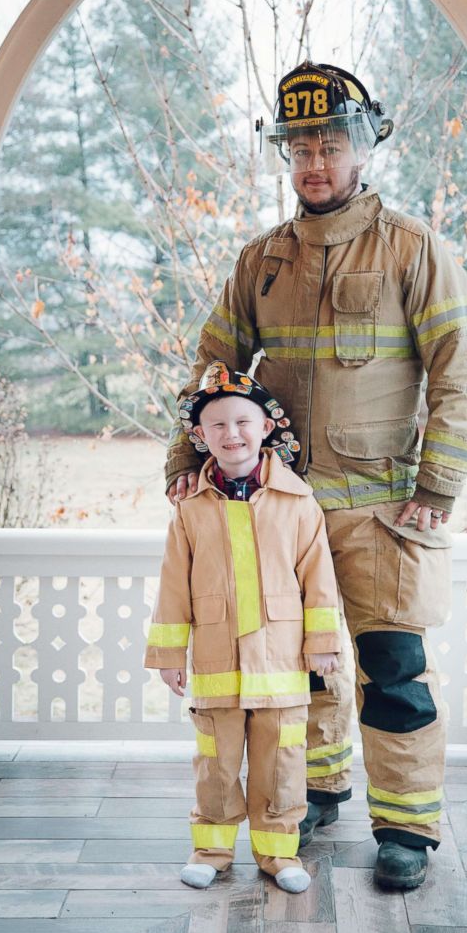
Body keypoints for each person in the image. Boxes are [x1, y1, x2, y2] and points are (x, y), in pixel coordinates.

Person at [164, 61, 467, 890]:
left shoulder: (412, 249)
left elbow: (461, 370)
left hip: (383, 512)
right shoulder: (262, 261)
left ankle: (407, 827)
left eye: (331, 143)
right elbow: (213, 364)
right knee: (296, 670)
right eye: (299, 145)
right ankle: (318, 788)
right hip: (283, 513)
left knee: (393, 673)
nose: (314, 161)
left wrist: (437, 485)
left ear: (364, 146)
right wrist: (184, 456)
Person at [145, 360, 341, 894]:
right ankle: (211, 850)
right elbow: (172, 587)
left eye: (242, 422)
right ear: (200, 436)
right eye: (217, 426)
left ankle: (280, 854)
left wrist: (323, 644)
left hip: (281, 662)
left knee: (282, 761)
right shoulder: (189, 509)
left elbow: (319, 579)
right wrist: (167, 654)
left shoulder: (298, 503)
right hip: (216, 662)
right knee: (216, 763)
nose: (231, 434)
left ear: (266, 426)